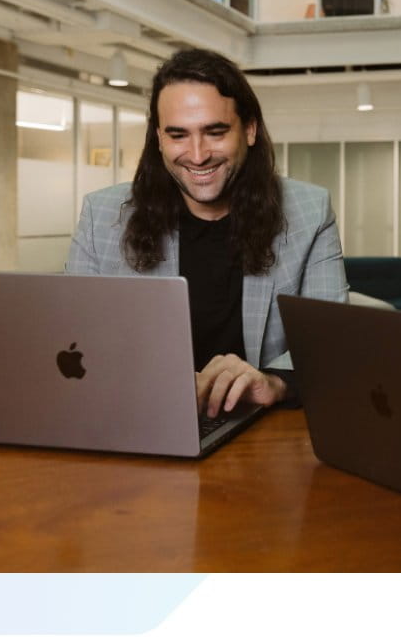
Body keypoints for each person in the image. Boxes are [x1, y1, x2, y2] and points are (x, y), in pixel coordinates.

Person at [66, 48, 348, 417]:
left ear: (249, 130)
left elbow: (331, 344)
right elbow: (73, 340)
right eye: (178, 135)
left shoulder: (310, 212)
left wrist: (274, 383)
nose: (197, 155)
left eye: (215, 132)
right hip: (139, 420)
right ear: (158, 138)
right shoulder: (100, 216)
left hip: (258, 431)